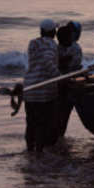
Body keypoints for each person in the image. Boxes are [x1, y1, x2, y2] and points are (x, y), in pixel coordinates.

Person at [23, 19, 60, 154]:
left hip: (30, 87)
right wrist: (58, 76)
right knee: (42, 124)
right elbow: (47, 61)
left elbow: (39, 61)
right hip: (43, 92)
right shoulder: (51, 44)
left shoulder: (33, 43)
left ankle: (29, 150)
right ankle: (38, 152)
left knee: (31, 122)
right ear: (53, 32)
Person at [55, 23, 83, 139]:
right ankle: (57, 136)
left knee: (64, 112)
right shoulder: (58, 48)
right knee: (59, 113)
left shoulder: (75, 48)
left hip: (68, 84)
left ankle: (59, 136)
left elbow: (70, 66)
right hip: (60, 84)